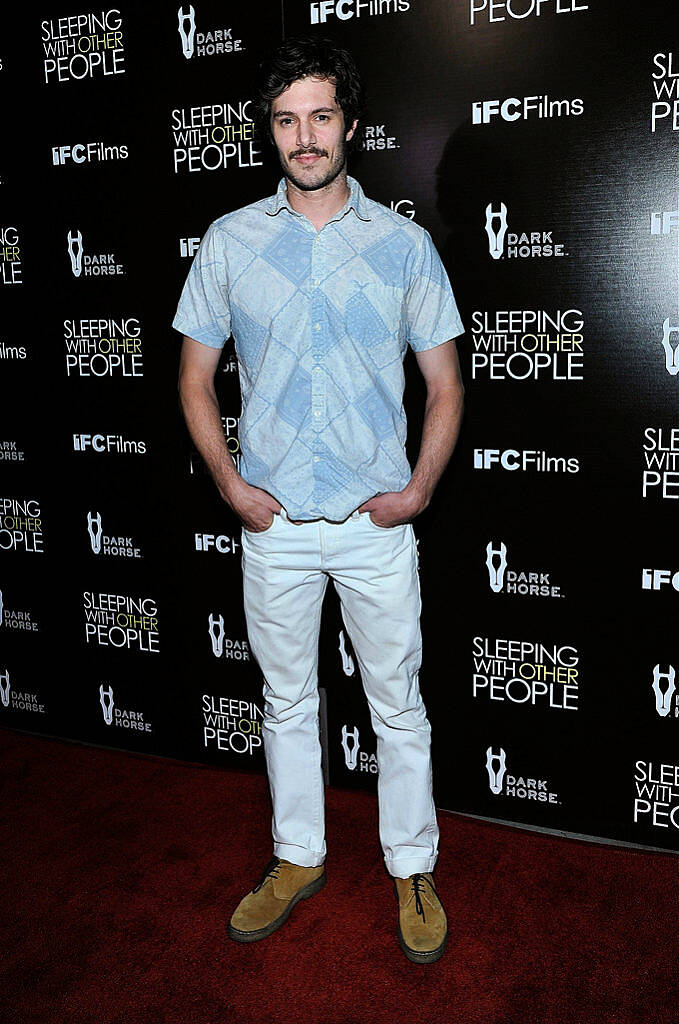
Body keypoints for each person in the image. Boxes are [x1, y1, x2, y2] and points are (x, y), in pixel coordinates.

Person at [172, 36, 465, 965]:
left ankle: (410, 864)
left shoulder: (403, 245)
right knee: (286, 699)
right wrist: (231, 486)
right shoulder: (229, 240)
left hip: (375, 526)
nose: (305, 136)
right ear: (271, 130)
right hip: (277, 526)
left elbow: (445, 383)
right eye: (287, 119)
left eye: (321, 117)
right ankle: (296, 857)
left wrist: (417, 488)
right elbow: (192, 377)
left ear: (349, 126)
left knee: (397, 703)